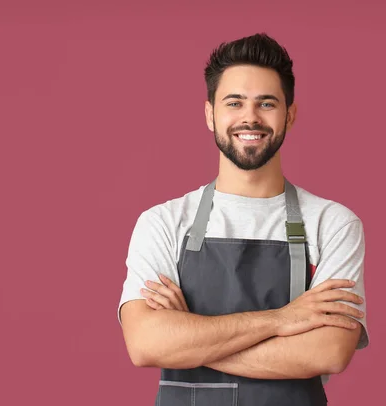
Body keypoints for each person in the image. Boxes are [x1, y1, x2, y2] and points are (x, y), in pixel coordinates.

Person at [117, 33, 369, 406]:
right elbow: (145, 344)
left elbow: (327, 352)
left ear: (290, 114)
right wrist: (282, 320)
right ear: (210, 114)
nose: (250, 117)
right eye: (234, 102)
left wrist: (189, 339)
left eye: (266, 103)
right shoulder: (163, 223)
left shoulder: (333, 224)